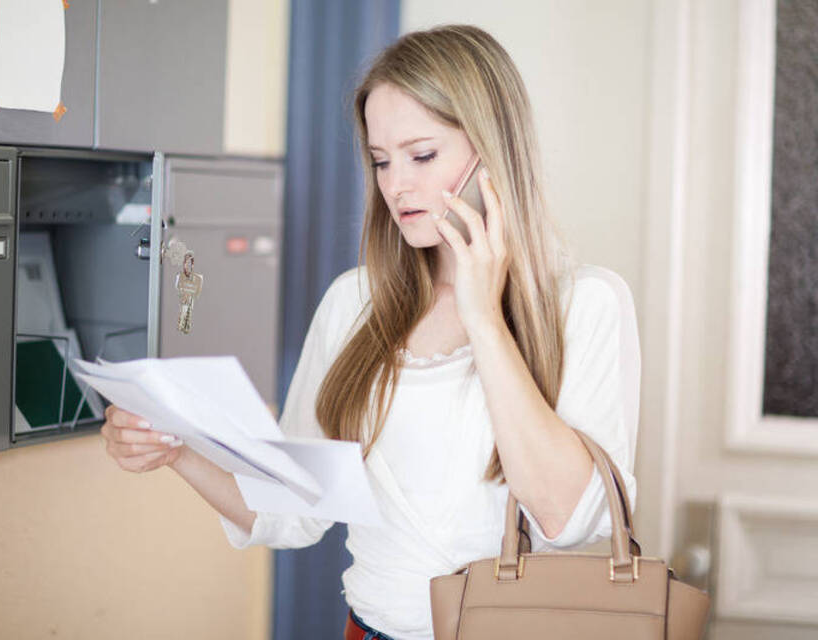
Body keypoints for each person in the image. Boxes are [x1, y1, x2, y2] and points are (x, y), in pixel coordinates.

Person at [99, 24, 641, 640]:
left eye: (422, 155)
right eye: (381, 161)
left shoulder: (584, 304)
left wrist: (484, 317)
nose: (395, 185)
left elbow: (567, 519)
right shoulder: (353, 302)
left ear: (493, 154)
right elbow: (294, 508)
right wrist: (175, 452)